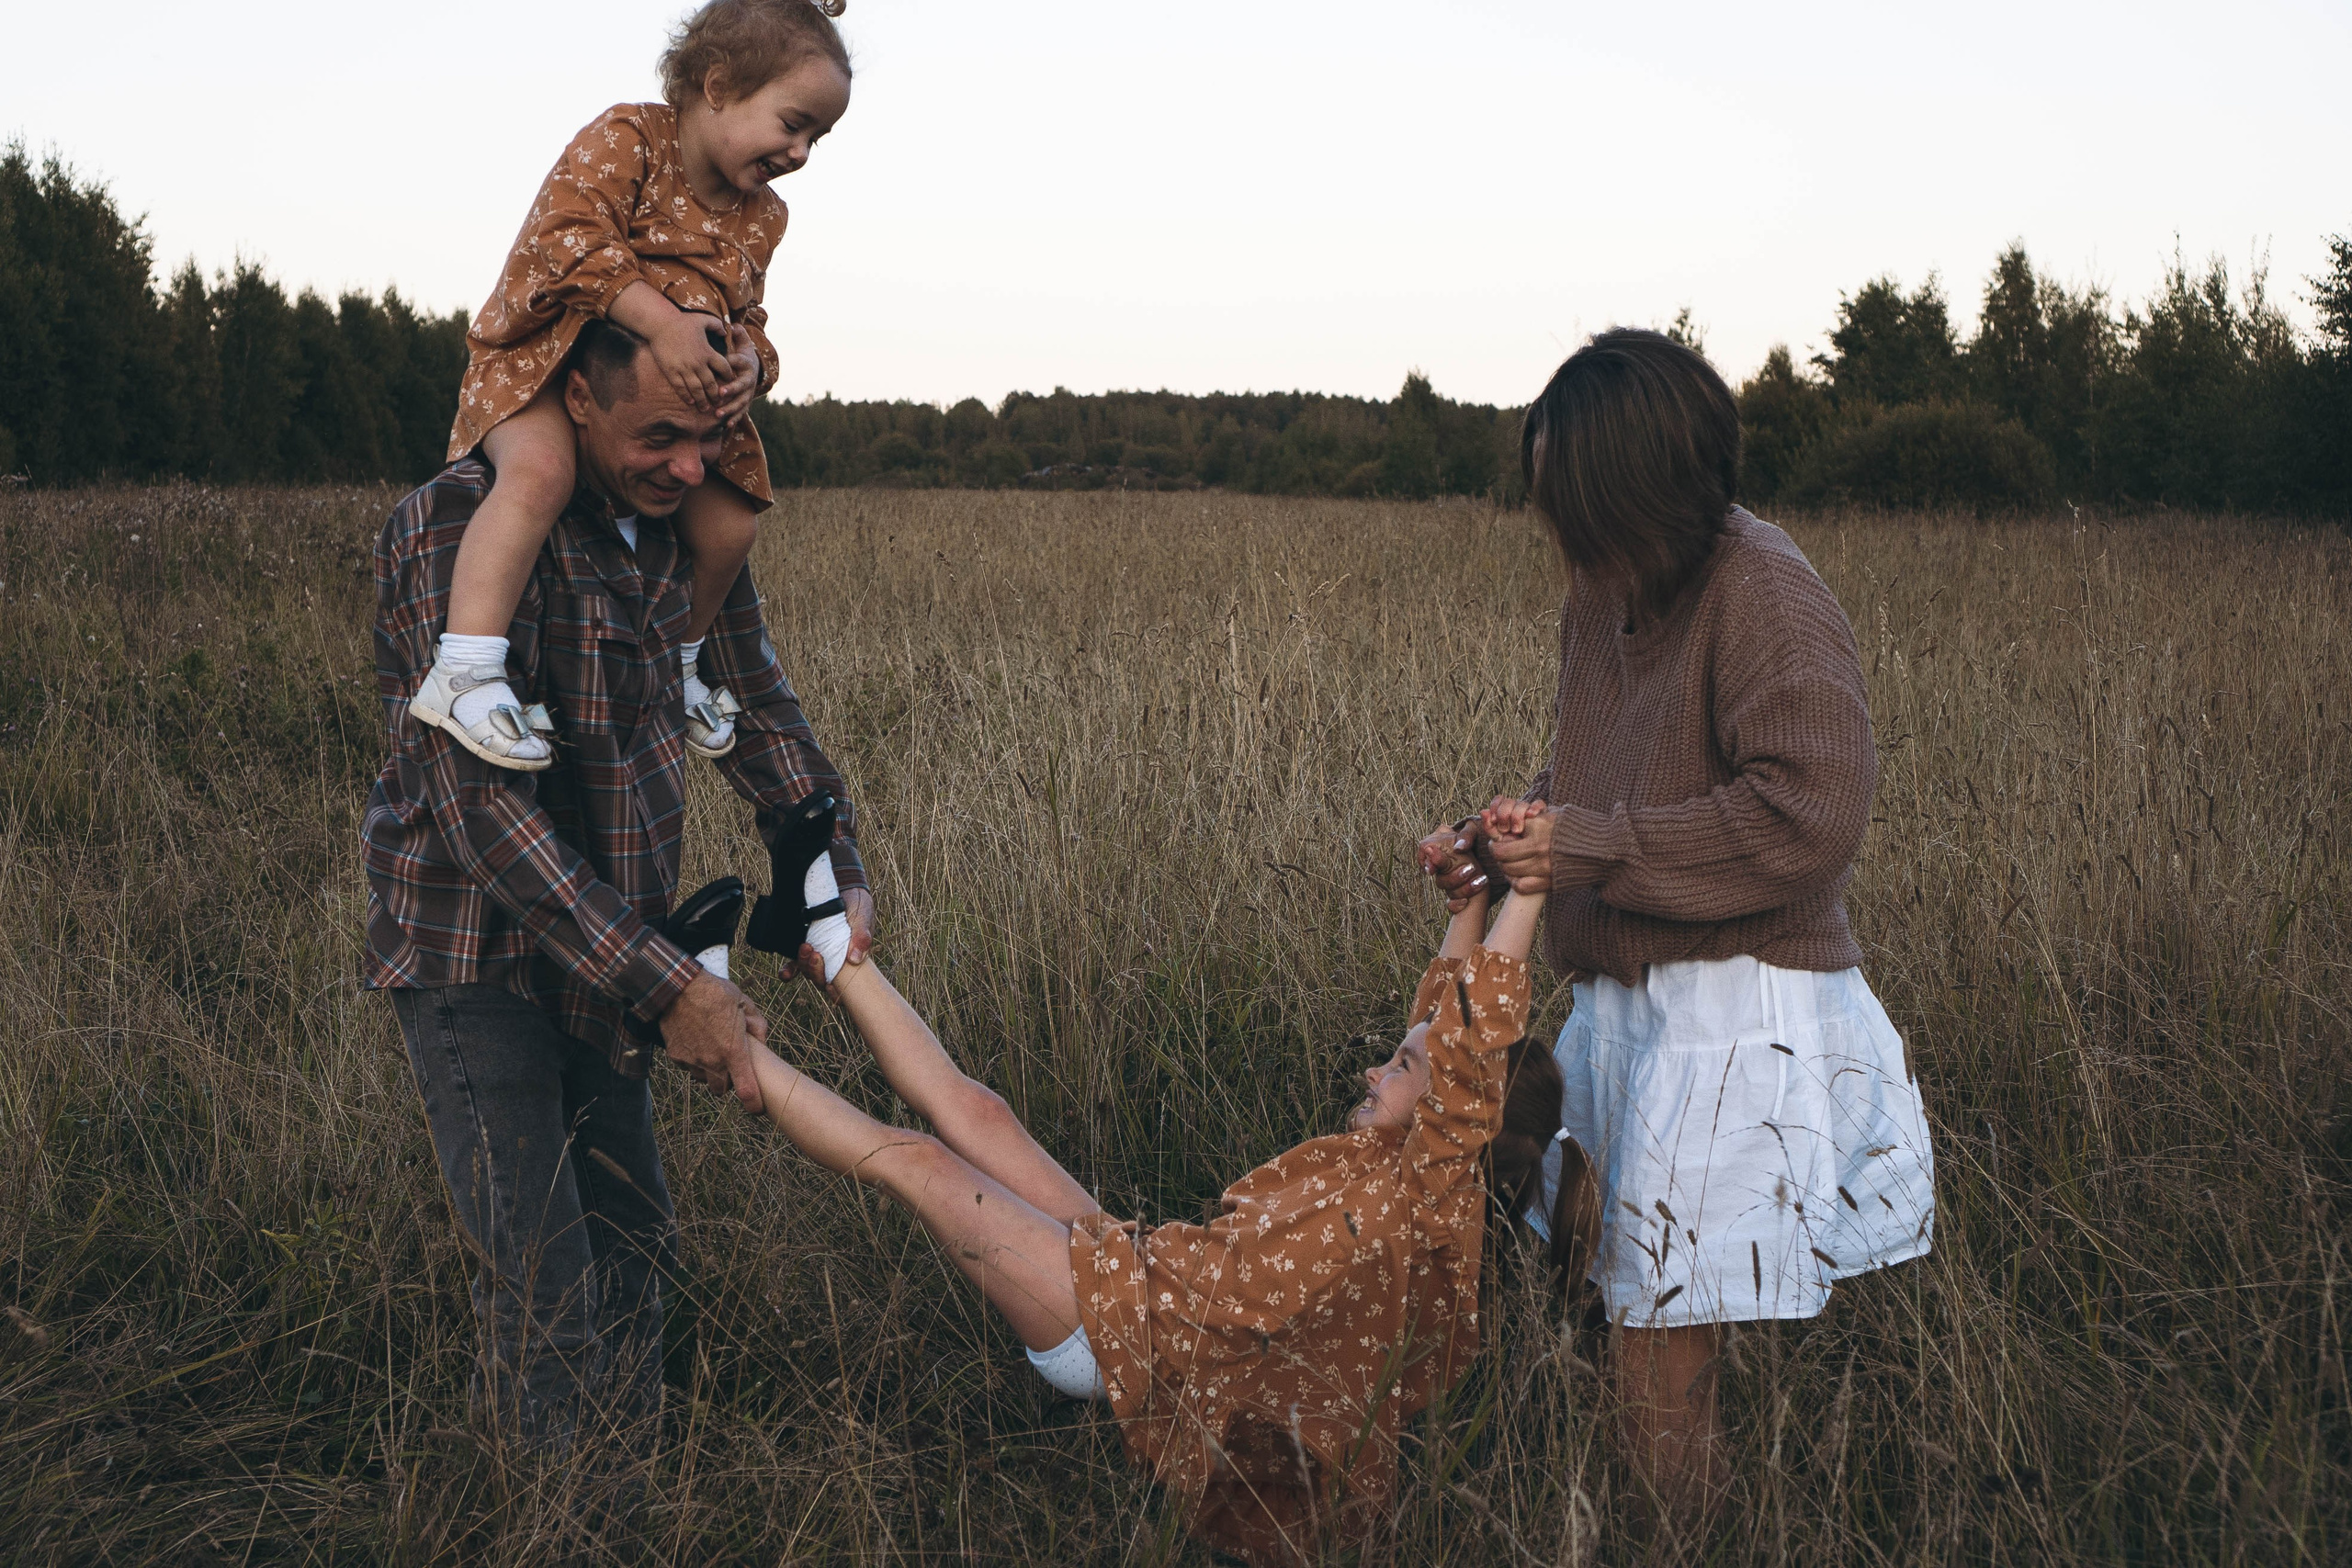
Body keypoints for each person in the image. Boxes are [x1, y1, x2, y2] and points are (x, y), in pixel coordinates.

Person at [1426, 328, 1936, 1530]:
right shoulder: (1608, 593)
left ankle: (1681, 1545)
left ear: (1634, 487)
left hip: (1734, 1013)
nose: (1557, 527)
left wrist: (1591, 844)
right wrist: (1494, 841)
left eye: (1570, 496)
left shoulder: (1765, 587)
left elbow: (1812, 811)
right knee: (1598, 1299)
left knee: (1657, 1365)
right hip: (1632, 1002)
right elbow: (1596, 781)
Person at [362, 316, 876, 1469]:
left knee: (638, 1250)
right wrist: (670, 989)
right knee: (545, 1288)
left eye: (708, 440)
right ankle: (560, 1527)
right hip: (473, 956)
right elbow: (476, 808)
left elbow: (755, 704)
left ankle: (631, 1499)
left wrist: (825, 859)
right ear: (576, 401)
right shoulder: (450, 527)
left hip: (617, 949)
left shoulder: (677, 529)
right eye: (660, 437)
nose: (690, 470)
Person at [729, 854, 1558, 1565]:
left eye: (1402, 1065)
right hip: (1143, 1273)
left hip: (1129, 1340)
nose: (1378, 1070)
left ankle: (724, 1038)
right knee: (978, 1112)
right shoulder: (1397, 1156)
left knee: (917, 1159)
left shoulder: (1427, 1203)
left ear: (1462, 1112)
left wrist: (1530, 889)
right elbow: (1448, 1013)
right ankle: (829, 939)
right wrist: (1472, 894)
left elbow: (1465, 1041)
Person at [414, 0, 854, 770]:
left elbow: (749, 313)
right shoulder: (630, 140)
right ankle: (466, 668)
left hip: (671, 407)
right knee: (540, 473)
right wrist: (660, 324)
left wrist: (752, 359)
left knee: (729, 528)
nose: (802, 151)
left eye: (817, 136)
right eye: (792, 123)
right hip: (545, 367)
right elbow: (565, 240)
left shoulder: (764, 217)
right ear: (718, 87)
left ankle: (678, 665)